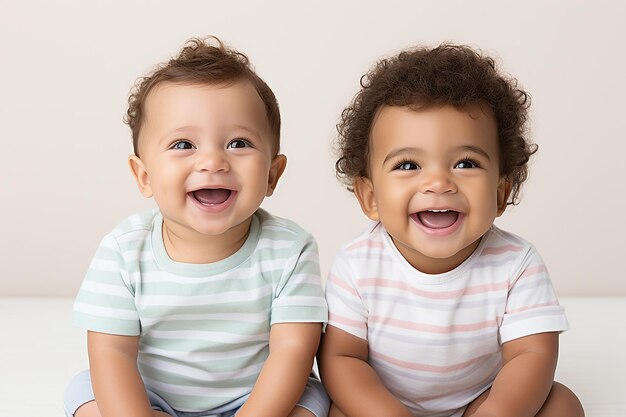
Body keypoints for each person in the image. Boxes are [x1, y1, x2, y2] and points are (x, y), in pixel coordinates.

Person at [64, 37, 329, 417]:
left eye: (238, 143)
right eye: (183, 144)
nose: (212, 161)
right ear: (144, 175)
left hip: (257, 397)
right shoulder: (124, 249)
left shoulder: (290, 248)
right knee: (88, 392)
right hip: (151, 395)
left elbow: (293, 351)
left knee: (312, 400)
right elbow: (112, 352)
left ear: (272, 175)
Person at [318, 44, 584, 417]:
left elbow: (531, 353)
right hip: (384, 403)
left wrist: (498, 410)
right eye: (408, 165)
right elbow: (342, 358)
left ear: (500, 192)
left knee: (562, 404)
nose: (439, 182)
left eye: (465, 162)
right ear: (370, 196)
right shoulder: (357, 265)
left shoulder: (516, 263)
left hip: (481, 400)